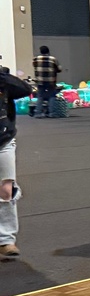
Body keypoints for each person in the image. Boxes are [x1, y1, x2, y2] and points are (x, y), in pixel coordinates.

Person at [0, 65, 32, 257]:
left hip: (4, 140)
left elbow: (25, 90)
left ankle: (6, 240)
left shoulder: (4, 82)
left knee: (6, 190)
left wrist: (3, 76)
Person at [31, 46, 61, 118]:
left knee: (40, 96)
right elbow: (59, 69)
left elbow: (35, 67)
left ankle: (38, 113)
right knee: (52, 96)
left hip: (40, 81)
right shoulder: (53, 59)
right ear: (48, 51)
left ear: (40, 51)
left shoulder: (35, 59)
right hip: (51, 81)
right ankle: (51, 113)